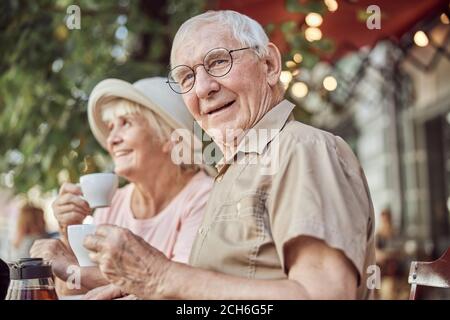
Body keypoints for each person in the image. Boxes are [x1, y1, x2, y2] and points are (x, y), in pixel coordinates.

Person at [83, 10, 376, 300]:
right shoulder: (235, 169)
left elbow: (326, 295)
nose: (202, 88)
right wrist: (143, 286)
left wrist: (162, 277)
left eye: (219, 61)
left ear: (270, 65)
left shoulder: (301, 149)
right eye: (186, 78)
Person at [30, 77, 214, 296]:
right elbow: (71, 292)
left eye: (126, 123)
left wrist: (71, 267)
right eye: (110, 127)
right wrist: (67, 235)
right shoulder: (112, 202)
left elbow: (181, 292)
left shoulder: (205, 196)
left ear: (169, 138)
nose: (111, 139)